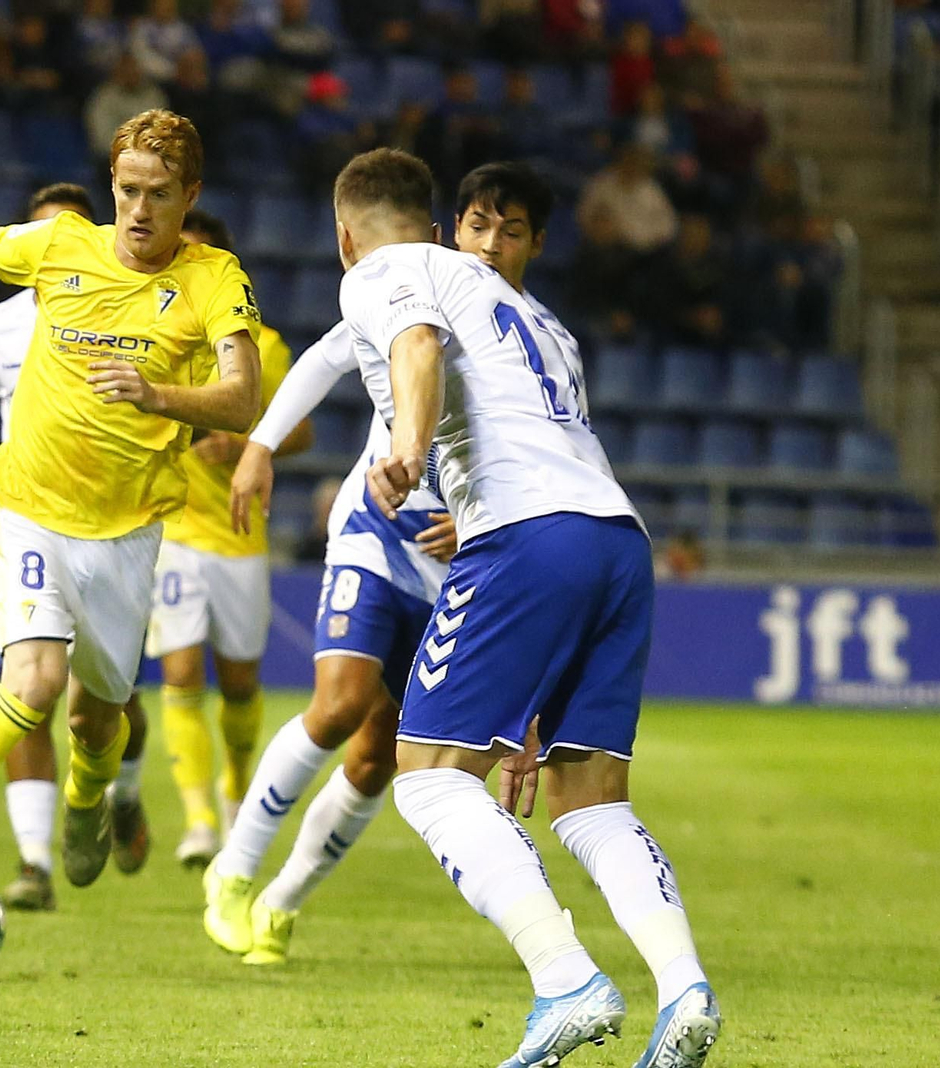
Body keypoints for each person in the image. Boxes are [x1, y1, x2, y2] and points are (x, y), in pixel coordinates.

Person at [343, 148, 719, 1068]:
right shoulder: (546, 324)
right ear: (446, 222)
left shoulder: (394, 268)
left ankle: (566, 979)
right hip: (614, 538)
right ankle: (685, 991)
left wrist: (405, 443)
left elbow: (416, 347)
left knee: (430, 776)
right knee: (589, 796)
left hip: (521, 533)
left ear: (346, 235)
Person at [0, 109, 263, 912]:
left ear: (191, 194)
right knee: (32, 681)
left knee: (99, 721)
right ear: (112, 186)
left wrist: (157, 394)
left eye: (161, 195)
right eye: (129, 191)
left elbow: (243, 400)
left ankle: (85, 800)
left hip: (128, 531)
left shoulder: (215, 278)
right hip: (28, 505)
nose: (140, 211)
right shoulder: (62, 245)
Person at [209, 159, 584, 962]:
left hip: (464, 567)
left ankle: (281, 901)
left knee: (383, 753)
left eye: (508, 232)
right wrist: (261, 446)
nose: (488, 246)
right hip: (379, 527)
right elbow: (325, 358)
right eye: (477, 226)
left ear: (535, 246)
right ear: (452, 232)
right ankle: (231, 873)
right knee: (340, 701)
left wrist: (488, 524)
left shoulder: (541, 338)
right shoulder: (417, 289)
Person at [0, 182, 155, 912]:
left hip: (116, 519)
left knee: (111, 701)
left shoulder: (128, 310)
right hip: (30, 516)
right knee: (29, 688)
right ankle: (34, 862)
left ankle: (118, 793)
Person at [149, 208, 308, 867]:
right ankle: (198, 821)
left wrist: (246, 442)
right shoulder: (146, 333)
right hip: (173, 530)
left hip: (239, 536)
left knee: (240, 684)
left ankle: (237, 794)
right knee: (182, 670)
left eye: (198, 253)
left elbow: (300, 432)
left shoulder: (260, 345)